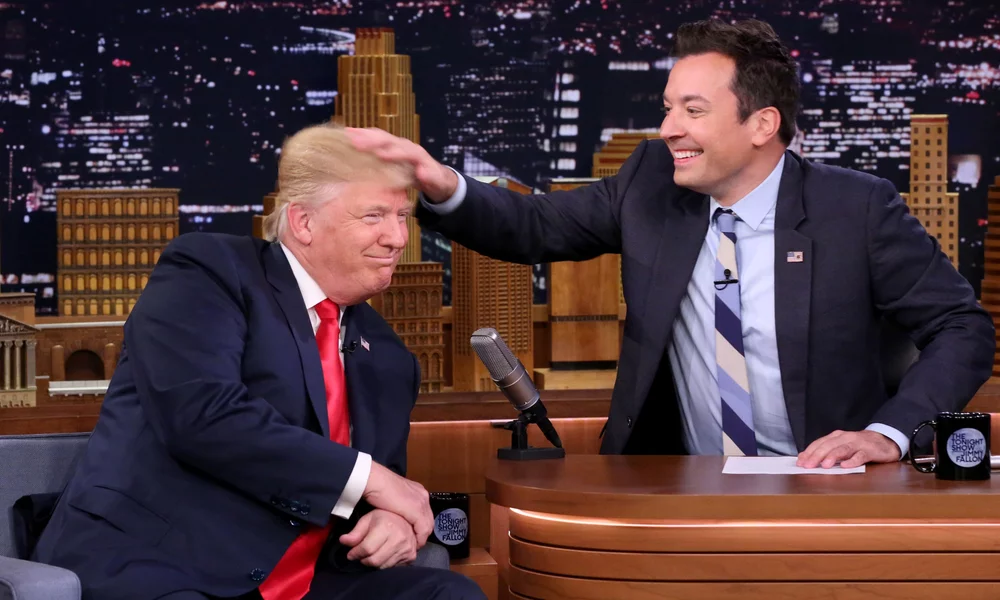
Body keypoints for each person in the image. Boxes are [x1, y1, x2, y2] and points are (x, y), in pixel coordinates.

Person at [345, 19, 995, 469]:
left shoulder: (855, 208)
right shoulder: (651, 183)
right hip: (681, 484)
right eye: (667, 107)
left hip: (827, 484)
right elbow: (534, 225)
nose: (667, 129)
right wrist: (440, 182)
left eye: (692, 110)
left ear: (762, 124)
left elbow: (962, 328)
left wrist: (888, 434)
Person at [32, 123, 486, 600]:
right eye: (374, 215)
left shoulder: (389, 356)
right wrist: (371, 479)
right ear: (304, 222)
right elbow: (202, 416)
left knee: (450, 594)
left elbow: (379, 484)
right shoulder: (210, 272)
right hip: (166, 566)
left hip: (313, 579)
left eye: (402, 216)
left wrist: (389, 519)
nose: (396, 238)